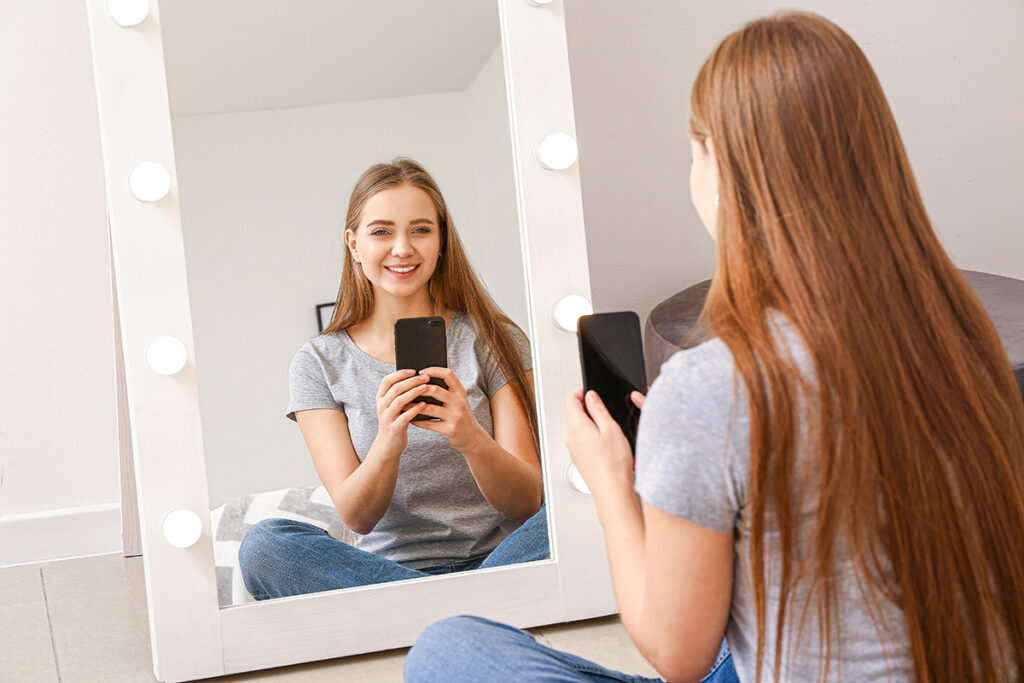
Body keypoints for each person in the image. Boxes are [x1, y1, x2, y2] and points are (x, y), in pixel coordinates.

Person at [405, 12, 1024, 683]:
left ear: (721, 166)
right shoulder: (969, 340)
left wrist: (614, 478)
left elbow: (678, 653)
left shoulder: (715, 383)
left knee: (450, 647)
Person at [239, 158, 548, 599]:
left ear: (441, 241)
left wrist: (469, 436)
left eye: (421, 229)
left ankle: (425, 609)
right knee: (265, 546)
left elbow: (527, 503)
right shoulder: (318, 362)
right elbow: (357, 517)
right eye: (381, 231)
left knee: (593, 497)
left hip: (499, 559)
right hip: (389, 572)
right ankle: (465, 607)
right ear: (354, 244)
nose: (402, 248)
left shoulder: (493, 338)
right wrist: (387, 440)